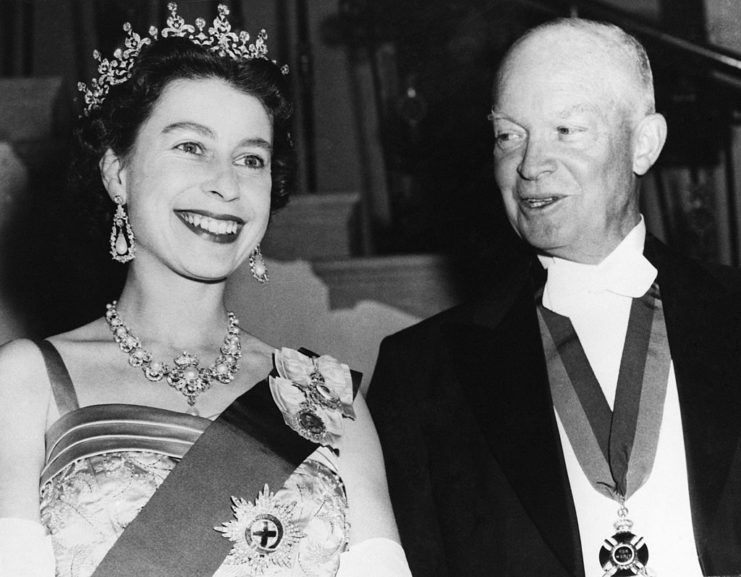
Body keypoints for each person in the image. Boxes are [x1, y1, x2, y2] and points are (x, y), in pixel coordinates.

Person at [0, 4, 412, 577]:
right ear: (118, 171)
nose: (226, 184)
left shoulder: (323, 396)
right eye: (191, 147)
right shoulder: (27, 380)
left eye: (251, 158)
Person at [368, 17, 741, 577]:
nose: (530, 164)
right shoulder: (421, 375)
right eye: (508, 135)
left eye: (566, 130)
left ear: (644, 144)